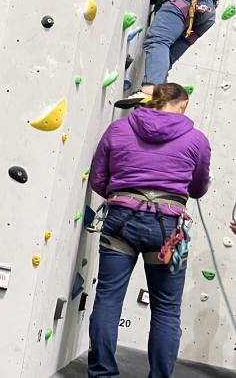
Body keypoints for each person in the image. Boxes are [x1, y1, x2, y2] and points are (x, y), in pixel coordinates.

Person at [88, 83, 211, 378]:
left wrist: (125, 196)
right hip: (167, 228)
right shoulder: (196, 139)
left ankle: (102, 374)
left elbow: (98, 179)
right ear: (182, 105)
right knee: (166, 310)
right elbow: (198, 188)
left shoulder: (118, 130)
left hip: (121, 218)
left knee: (108, 298)